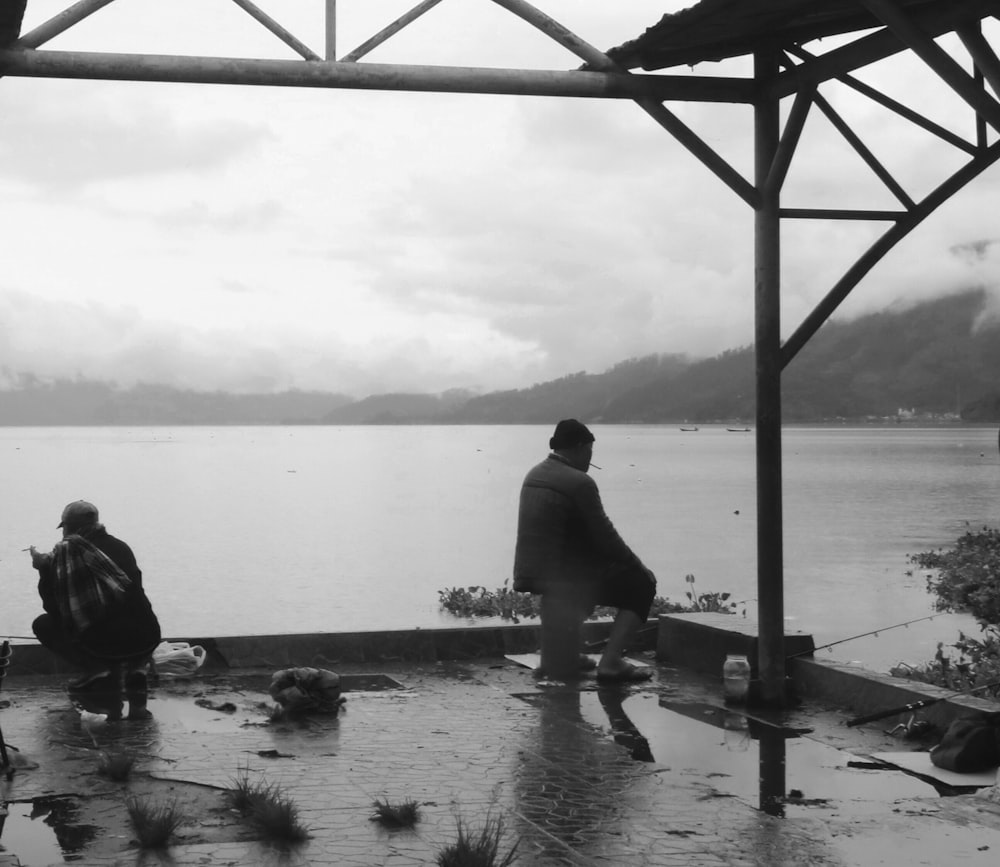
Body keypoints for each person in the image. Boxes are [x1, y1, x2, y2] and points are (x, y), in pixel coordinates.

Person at [513, 419, 657, 681]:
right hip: (563, 577)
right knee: (641, 585)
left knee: (579, 579)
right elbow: (606, 535)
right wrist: (637, 565)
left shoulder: (533, 474)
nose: (590, 458)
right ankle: (611, 663)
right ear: (580, 447)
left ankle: (559, 656)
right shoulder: (580, 482)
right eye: (590, 451)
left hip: (532, 573)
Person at [29, 500, 161, 713]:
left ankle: (96, 669)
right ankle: (137, 672)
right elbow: (133, 592)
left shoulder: (66, 554)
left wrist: (43, 569)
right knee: (126, 619)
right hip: (147, 637)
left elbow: (55, 608)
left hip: (103, 643)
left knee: (43, 624)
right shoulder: (121, 546)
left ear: (69, 527)